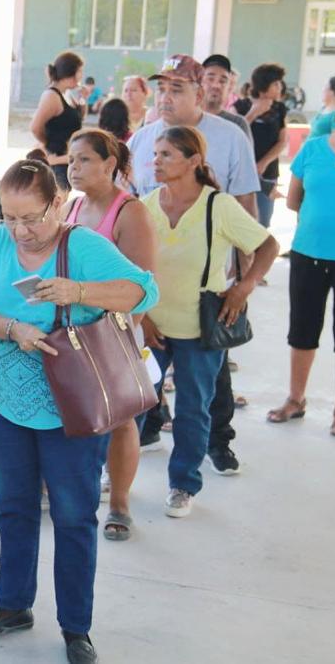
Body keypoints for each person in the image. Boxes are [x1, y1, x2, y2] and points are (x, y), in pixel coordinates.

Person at [0, 157, 158, 664]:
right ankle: (12, 606)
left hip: (73, 403)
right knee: (15, 505)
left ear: (58, 204)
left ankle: (76, 626)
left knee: (72, 514)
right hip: (9, 398)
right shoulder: (0, 243)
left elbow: (144, 289)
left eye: (31, 217)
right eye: (9, 217)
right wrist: (12, 329)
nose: (20, 230)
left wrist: (81, 292)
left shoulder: (82, 246)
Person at [128, 53, 260, 476]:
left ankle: (213, 449)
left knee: (203, 393)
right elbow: (126, 213)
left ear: (200, 93)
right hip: (154, 301)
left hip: (206, 298)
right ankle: (144, 437)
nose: (166, 97)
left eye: (177, 88)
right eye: (161, 88)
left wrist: (242, 285)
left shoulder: (229, 136)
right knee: (138, 388)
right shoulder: (143, 138)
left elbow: (245, 207)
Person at [140, 126, 278, 517]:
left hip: (200, 329)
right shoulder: (148, 205)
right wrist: (142, 316)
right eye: (156, 153)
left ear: (194, 161)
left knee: (193, 408)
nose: (157, 161)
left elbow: (268, 245)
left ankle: (183, 484)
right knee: (133, 402)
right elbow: (133, 263)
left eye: (167, 154)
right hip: (151, 327)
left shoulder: (218, 206)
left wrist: (244, 287)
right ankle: (118, 478)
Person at [64, 128, 157, 541]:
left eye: (84, 159)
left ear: (110, 165)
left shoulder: (129, 211)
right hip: (69, 333)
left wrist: (124, 340)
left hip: (113, 333)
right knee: (73, 412)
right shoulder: (71, 206)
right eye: (71, 159)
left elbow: (141, 288)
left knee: (119, 419)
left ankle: (119, 504)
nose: (74, 168)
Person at [271, 83, 335, 437]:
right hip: (308, 253)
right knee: (302, 331)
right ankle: (295, 400)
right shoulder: (312, 149)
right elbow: (294, 200)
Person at [233, 63, 289, 228]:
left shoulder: (280, 109)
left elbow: (282, 141)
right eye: (276, 83)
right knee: (238, 222)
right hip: (240, 172)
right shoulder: (240, 107)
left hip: (267, 174)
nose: (280, 87)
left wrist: (263, 163)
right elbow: (234, 136)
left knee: (262, 222)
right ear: (264, 84)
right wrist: (253, 114)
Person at [30, 51, 85, 190]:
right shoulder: (52, 96)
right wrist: (47, 143)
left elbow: (77, 121)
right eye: (80, 71)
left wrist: (83, 99)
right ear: (73, 72)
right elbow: (35, 127)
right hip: (55, 161)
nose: (82, 75)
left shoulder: (67, 94)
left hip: (66, 159)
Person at [201, 54, 253, 142]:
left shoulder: (238, 123)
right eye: (210, 79)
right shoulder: (185, 119)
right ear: (199, 82)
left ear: (229, 87)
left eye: (222, 81)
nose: (216, 85)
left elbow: (246, 155)